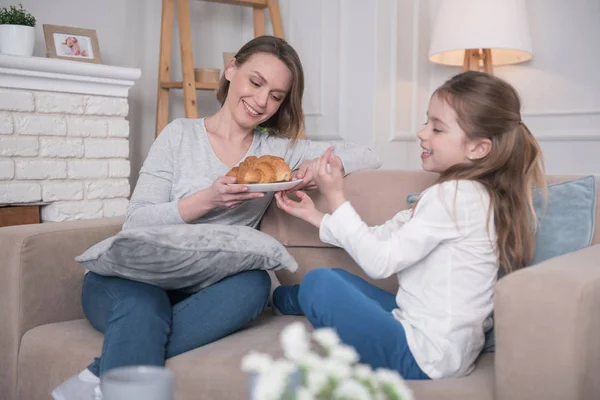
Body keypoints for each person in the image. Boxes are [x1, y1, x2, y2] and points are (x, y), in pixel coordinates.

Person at [51, 35, 381, 400]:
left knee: (255, 285)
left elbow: (366, 154)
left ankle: (102, 374)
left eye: (275, 95)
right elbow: (136, 224)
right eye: (256, 82)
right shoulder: (179, 135)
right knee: (144, 306)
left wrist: (310, 169)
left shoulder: (276, 151)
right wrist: (207, 199)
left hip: (208, 284)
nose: (261, 101)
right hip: (132, 276)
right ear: (231, 69)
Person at [272, 71, 546, 380]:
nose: (422, 133)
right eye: (426, 122)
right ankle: (289, 299)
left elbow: (379, 262)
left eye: (437, 128)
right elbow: (380, 240)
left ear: (478, 148)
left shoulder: (455, 196)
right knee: (336, 278)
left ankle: (284, 300)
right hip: (438, 346)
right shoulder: (466, 194)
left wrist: (335, 196)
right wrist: (315, 215)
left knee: (320, 283)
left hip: (422, 357)